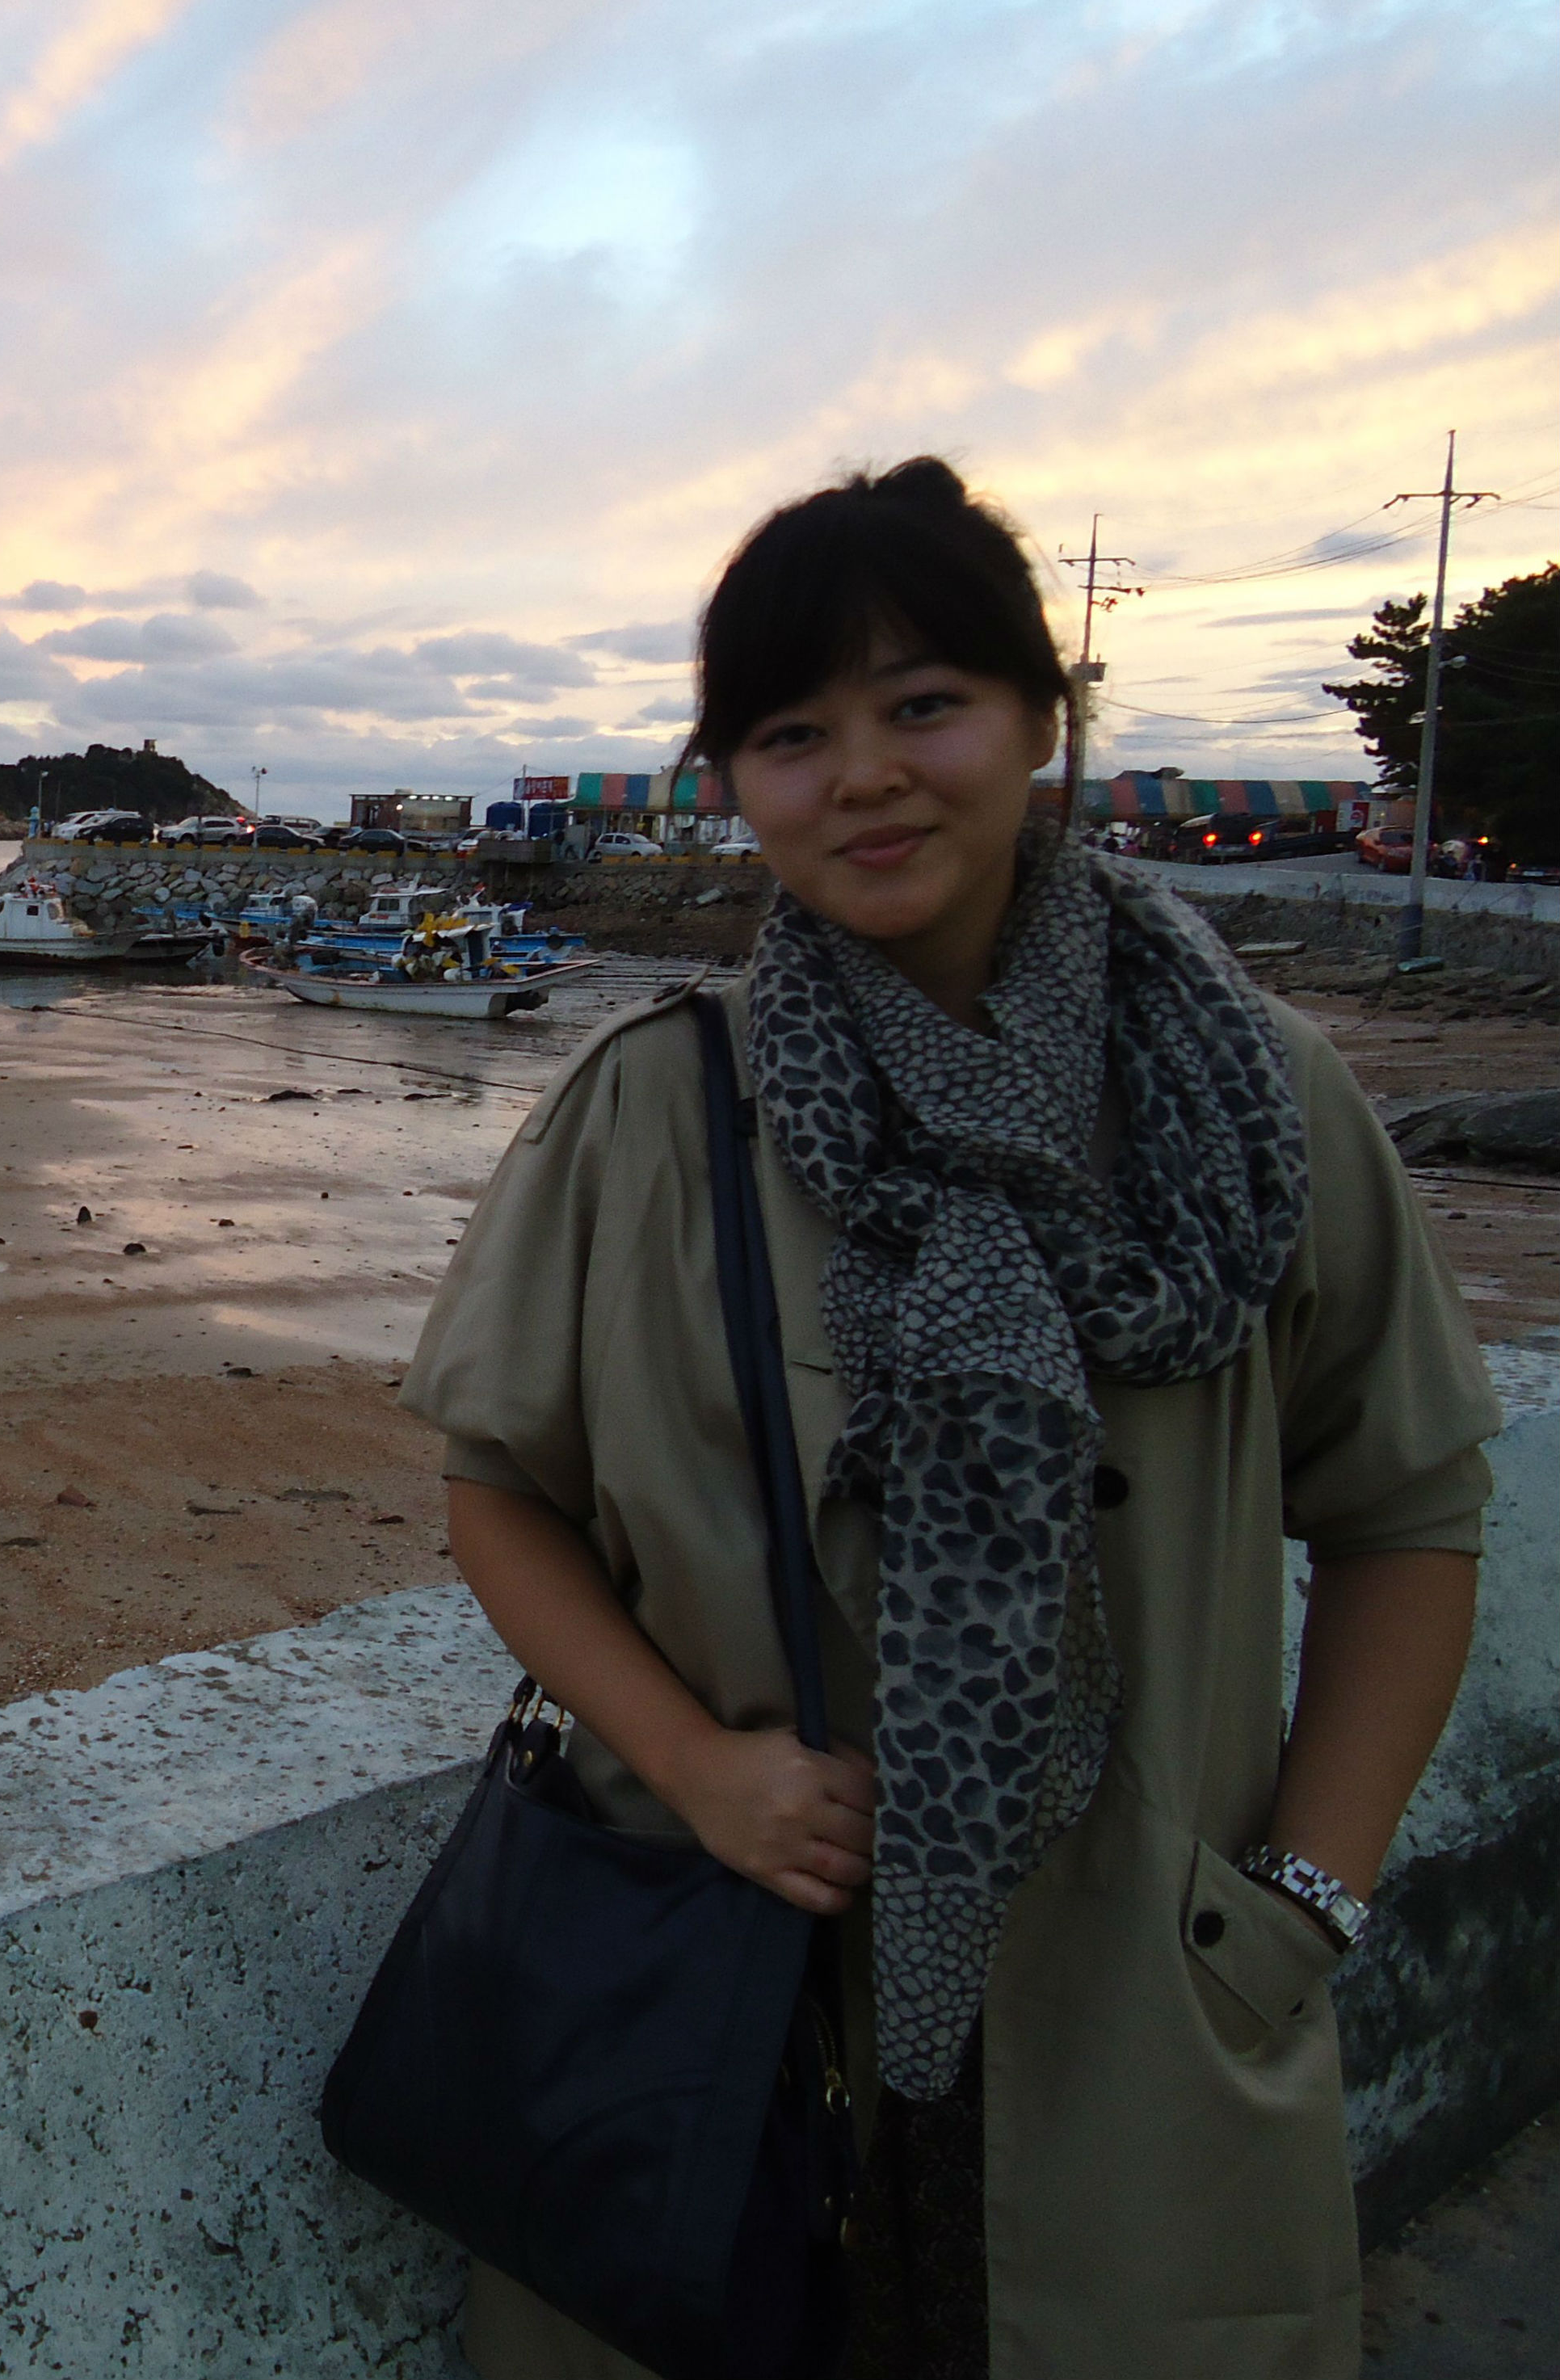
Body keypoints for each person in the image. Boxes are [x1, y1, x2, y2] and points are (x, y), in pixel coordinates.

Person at [397, 459, 1499, 2380]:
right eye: (791, 735)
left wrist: (1305, 1902)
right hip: (735, 1991)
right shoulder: (658, 1111)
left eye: (924, 705)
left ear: (1042, 722)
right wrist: (700, 1766)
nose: (865, 778)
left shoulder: (1256, 1107)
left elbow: (1408, 1507)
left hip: (1143, 2011)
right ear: (732, 783)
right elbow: (499, 1491)